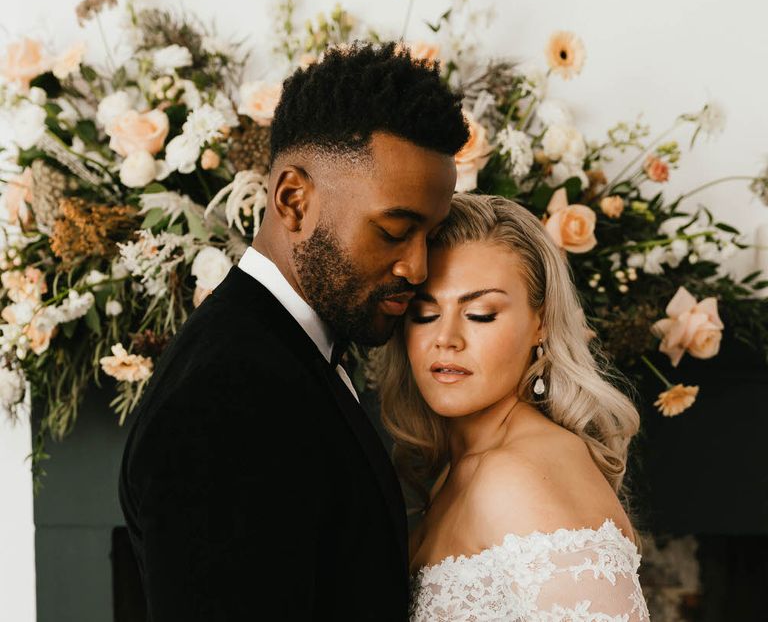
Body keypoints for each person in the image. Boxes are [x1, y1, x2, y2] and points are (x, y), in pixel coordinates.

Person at [118, 42, 469, 621]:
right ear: (293, 199)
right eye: (394, 230)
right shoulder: (230, 394)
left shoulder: (288, 349)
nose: (418, 267)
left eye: (428, 235)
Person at [372, 194, 650, 621]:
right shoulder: (453, 471)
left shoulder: (519, 474)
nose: (446, 338)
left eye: (481, 314)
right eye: (425, 313)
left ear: (540, 322)